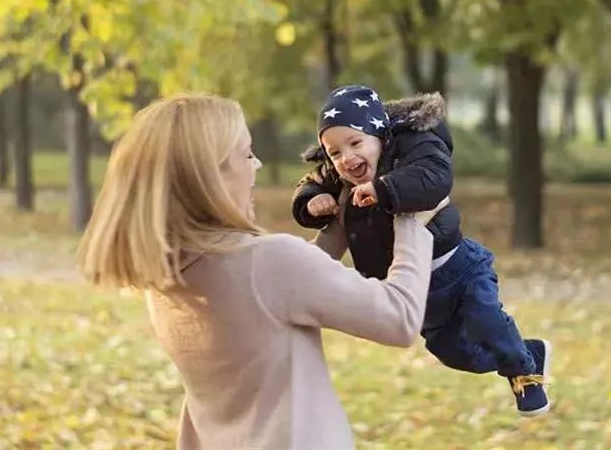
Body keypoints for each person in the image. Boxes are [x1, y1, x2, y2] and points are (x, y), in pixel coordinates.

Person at [77, 94, 445, 449]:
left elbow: (278, 293)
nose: (257, 165)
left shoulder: (166, 276)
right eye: (247, 153)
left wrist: (339, 226)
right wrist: (410, 219)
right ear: (211, 176)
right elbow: (398, 318)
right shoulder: (268, 262)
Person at [292, 85, 551, 416]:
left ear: (380, 135)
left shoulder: (414, 147)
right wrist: (311, 201)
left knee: (486, 322)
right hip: (418, 290)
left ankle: (524, 373)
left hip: (459, 270)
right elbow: (310, 181)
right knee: (456, 354)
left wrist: (384, 189)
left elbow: (433, 179)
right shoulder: (340, 175)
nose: (346, 158)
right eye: (334, 152)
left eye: (355, 144)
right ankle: (526, 352)